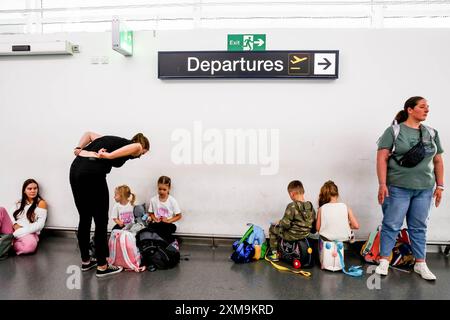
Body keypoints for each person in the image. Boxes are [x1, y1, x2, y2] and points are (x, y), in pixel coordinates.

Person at [376, 96, 444, 280]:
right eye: (422, 107)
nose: (427, 110)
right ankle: (384, 261)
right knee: (391, 224)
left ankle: (420, 263)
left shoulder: (432, 133)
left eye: (427, 107)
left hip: (425, 188)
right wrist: (382, 184)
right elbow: (382, 158)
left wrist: (441, 186)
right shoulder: (394, 131)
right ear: (410, 110)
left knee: (419, 227)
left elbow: (437, 160)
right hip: (398, 187)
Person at [69, 131, 149, 278]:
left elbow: (89, 134)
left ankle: (86, 261)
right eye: (143, 153)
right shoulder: (134, 145)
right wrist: (108, 156)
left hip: (75, 171)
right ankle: (102, 266)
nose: (139, 155)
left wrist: (78, 148)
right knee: (100, 221)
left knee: (85, 217)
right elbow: (137, 146)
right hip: (92, 174)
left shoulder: (108, 140)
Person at [266, 180, 316, 262]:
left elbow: (286, 225)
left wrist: (279, 222)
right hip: (305, 235)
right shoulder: (310, 207)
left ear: (292, 194)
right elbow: (313, 228)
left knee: (272, 228)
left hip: (292, 235)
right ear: (303, 191)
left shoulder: (292, 206)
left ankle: (275, 254)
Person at [0, 179, 47, 255]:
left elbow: (39, 225)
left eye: (35, 188)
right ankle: (6, 243)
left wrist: (17, 233)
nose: (33, 191)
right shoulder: (19, 202)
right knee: (1, 210)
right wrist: (15, 224)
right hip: (12, 229)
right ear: (24, 191)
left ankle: (7, 245)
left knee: (30, 246)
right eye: (29, 189)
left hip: (28, 232)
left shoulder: (41, 203)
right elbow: (10, 216)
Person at [146, 176, 182, 241]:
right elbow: (150, 213)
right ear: (157, 187)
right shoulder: (153, 200)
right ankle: (160, 241)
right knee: (150, 228)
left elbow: (179, 216)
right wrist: (155, 219)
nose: (161, 192)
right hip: (157, 223)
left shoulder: (172, 200)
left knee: (165, 230)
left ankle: (172, 241)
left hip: (169, 224)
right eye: (160, 189)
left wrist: (168, 220)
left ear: (169, 188)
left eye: (164, 189)